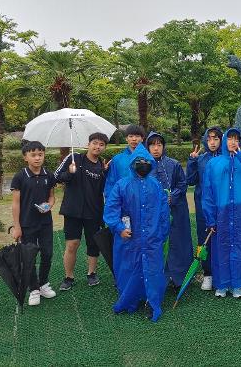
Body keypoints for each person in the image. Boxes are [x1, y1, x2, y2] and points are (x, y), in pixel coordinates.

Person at [102, 143, 170, 322]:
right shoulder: (122, 185)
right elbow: (111, 210)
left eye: (146, 161)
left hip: (151, 239)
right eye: (139, 161)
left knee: (153, 269)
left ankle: (152, 301)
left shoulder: (155, 185)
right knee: (128, 268)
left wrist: (162, 233)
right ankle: (129, 300)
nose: (143, 164)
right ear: (132, 163)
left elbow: (164, 213)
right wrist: (119, 228)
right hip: (129, 238)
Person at [202, 128, 241, 298]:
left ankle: (238, 285)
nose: (233, 142)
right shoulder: (213, 164)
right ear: (225, 141)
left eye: (236, 139)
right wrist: (210, 218)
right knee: (221, 248)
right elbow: (207, 193)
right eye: (230, 138)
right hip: (221, 212)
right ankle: (222, 285)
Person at [54, 132, 109, 291]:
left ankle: (92, 274)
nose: (97, 147)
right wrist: (70, 173)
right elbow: (56, 177)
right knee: (72, 244)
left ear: (104, 147)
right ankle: (69, 277)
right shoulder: (75, 158)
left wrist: (104, 173)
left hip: (94, 211)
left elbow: (103, 189)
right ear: (88, 144)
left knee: (93, 244)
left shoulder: (102, 165)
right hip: (73, 210)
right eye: (95, 143)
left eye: (101, 144)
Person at [11, 141, 57, 306]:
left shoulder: (49, 175)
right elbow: (16, 203)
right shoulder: (20, 176)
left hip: (45, 222)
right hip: (26, 224)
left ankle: (43, 284)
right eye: (33, 155)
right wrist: (17, 226)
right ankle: (34, 289)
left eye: (40, 154)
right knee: (29, 256)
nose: (37, 158)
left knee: (47, 253)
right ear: (25, 157)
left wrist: (49, 205)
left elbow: (52, 196)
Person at [145, 131, 193, 288]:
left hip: (176, 210)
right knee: (157, 243)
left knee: (177, 241)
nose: (156, 148)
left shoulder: (173, 164)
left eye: (159, 144)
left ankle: (178, 276)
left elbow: (182, 183)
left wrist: (174, 196)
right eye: (152, 144)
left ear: (163, 146)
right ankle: (159, 277)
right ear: (148, 146)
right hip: (153, 214)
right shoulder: (143, 165)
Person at [186, 126, 222, 291]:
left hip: (222, 206)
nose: (212, 142)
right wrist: (192, 162)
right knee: (204, 238)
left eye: (215, 139)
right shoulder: (200, 159)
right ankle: (208, 273)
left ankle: (222, 272)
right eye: (209, 139)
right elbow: (191, 181)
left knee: (223, 238)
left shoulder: (226, 158)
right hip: (202, 206)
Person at [104, 124, 145, 200]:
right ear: (126, 138)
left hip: (143, 201)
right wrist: (111, 202)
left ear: (142, 139)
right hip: (123, 200)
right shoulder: (117, 159)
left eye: (137, 136)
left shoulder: (148, 158)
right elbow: (111, 183)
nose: (134, 139)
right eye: (131, 136)